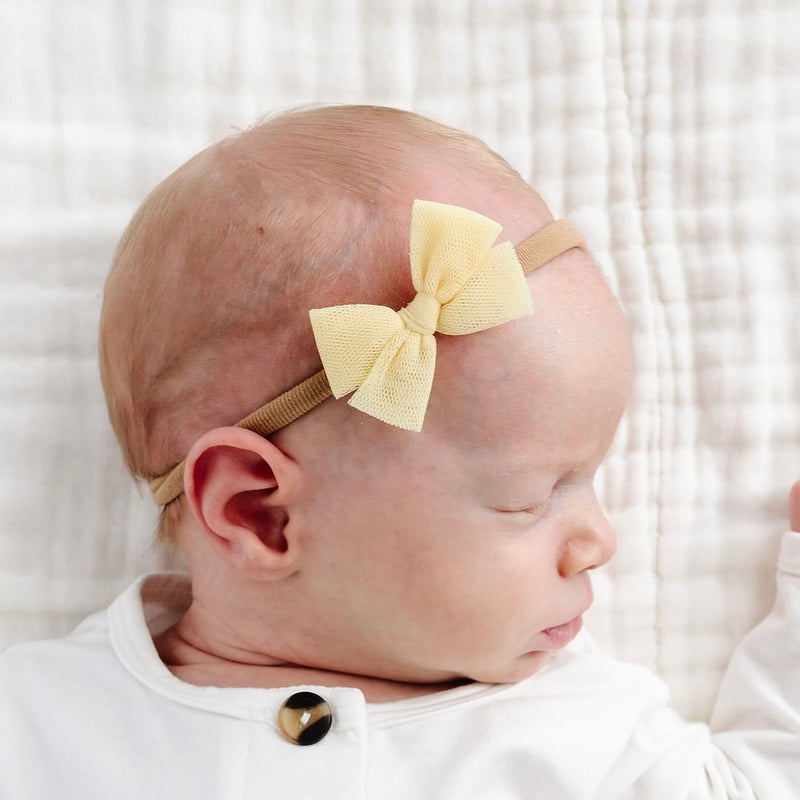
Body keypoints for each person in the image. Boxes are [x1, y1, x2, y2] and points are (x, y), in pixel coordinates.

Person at [1, 105, 798, 798]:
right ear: (261, 513)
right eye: (529, 498)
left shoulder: (584, 733)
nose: (599, 541)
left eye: (586, 479)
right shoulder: (39, 721)